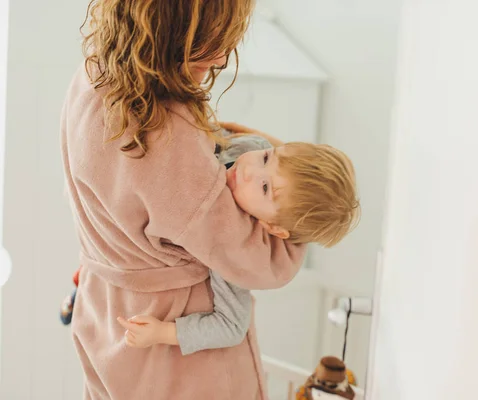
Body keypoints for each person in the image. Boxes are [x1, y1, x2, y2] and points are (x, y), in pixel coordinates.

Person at [61, 1, 306, 399]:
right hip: (175, 350)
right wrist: (300, 220)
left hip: (104, 318)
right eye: (210, 40)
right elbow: (259, 264)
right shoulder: (168, 136)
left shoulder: (91, 78)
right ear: (170, 32)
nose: (223, 57)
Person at [115, 129, 360, 355]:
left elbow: (232, 326)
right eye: (266, 158)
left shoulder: (238, 250)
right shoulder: (248, 147)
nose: (249, 170)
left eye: (264, 188)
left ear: (272, 226)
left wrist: (162, 333)